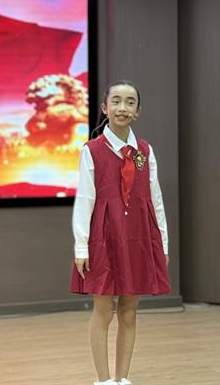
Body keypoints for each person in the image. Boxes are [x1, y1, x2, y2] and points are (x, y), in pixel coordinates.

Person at [70, 80, 170, 385]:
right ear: (104, 108)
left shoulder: (145, 151)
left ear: (137, 111)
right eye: (116, 101)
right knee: (103, 309)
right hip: (105, 236)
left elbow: (155, 199)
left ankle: (122, 378)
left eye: (130, 102)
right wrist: (81, 247)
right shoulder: (92, 150)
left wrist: (162, 244)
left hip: (138, 236)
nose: (122, 108)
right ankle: (103, 381)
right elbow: (85, 199)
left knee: (129, 310)